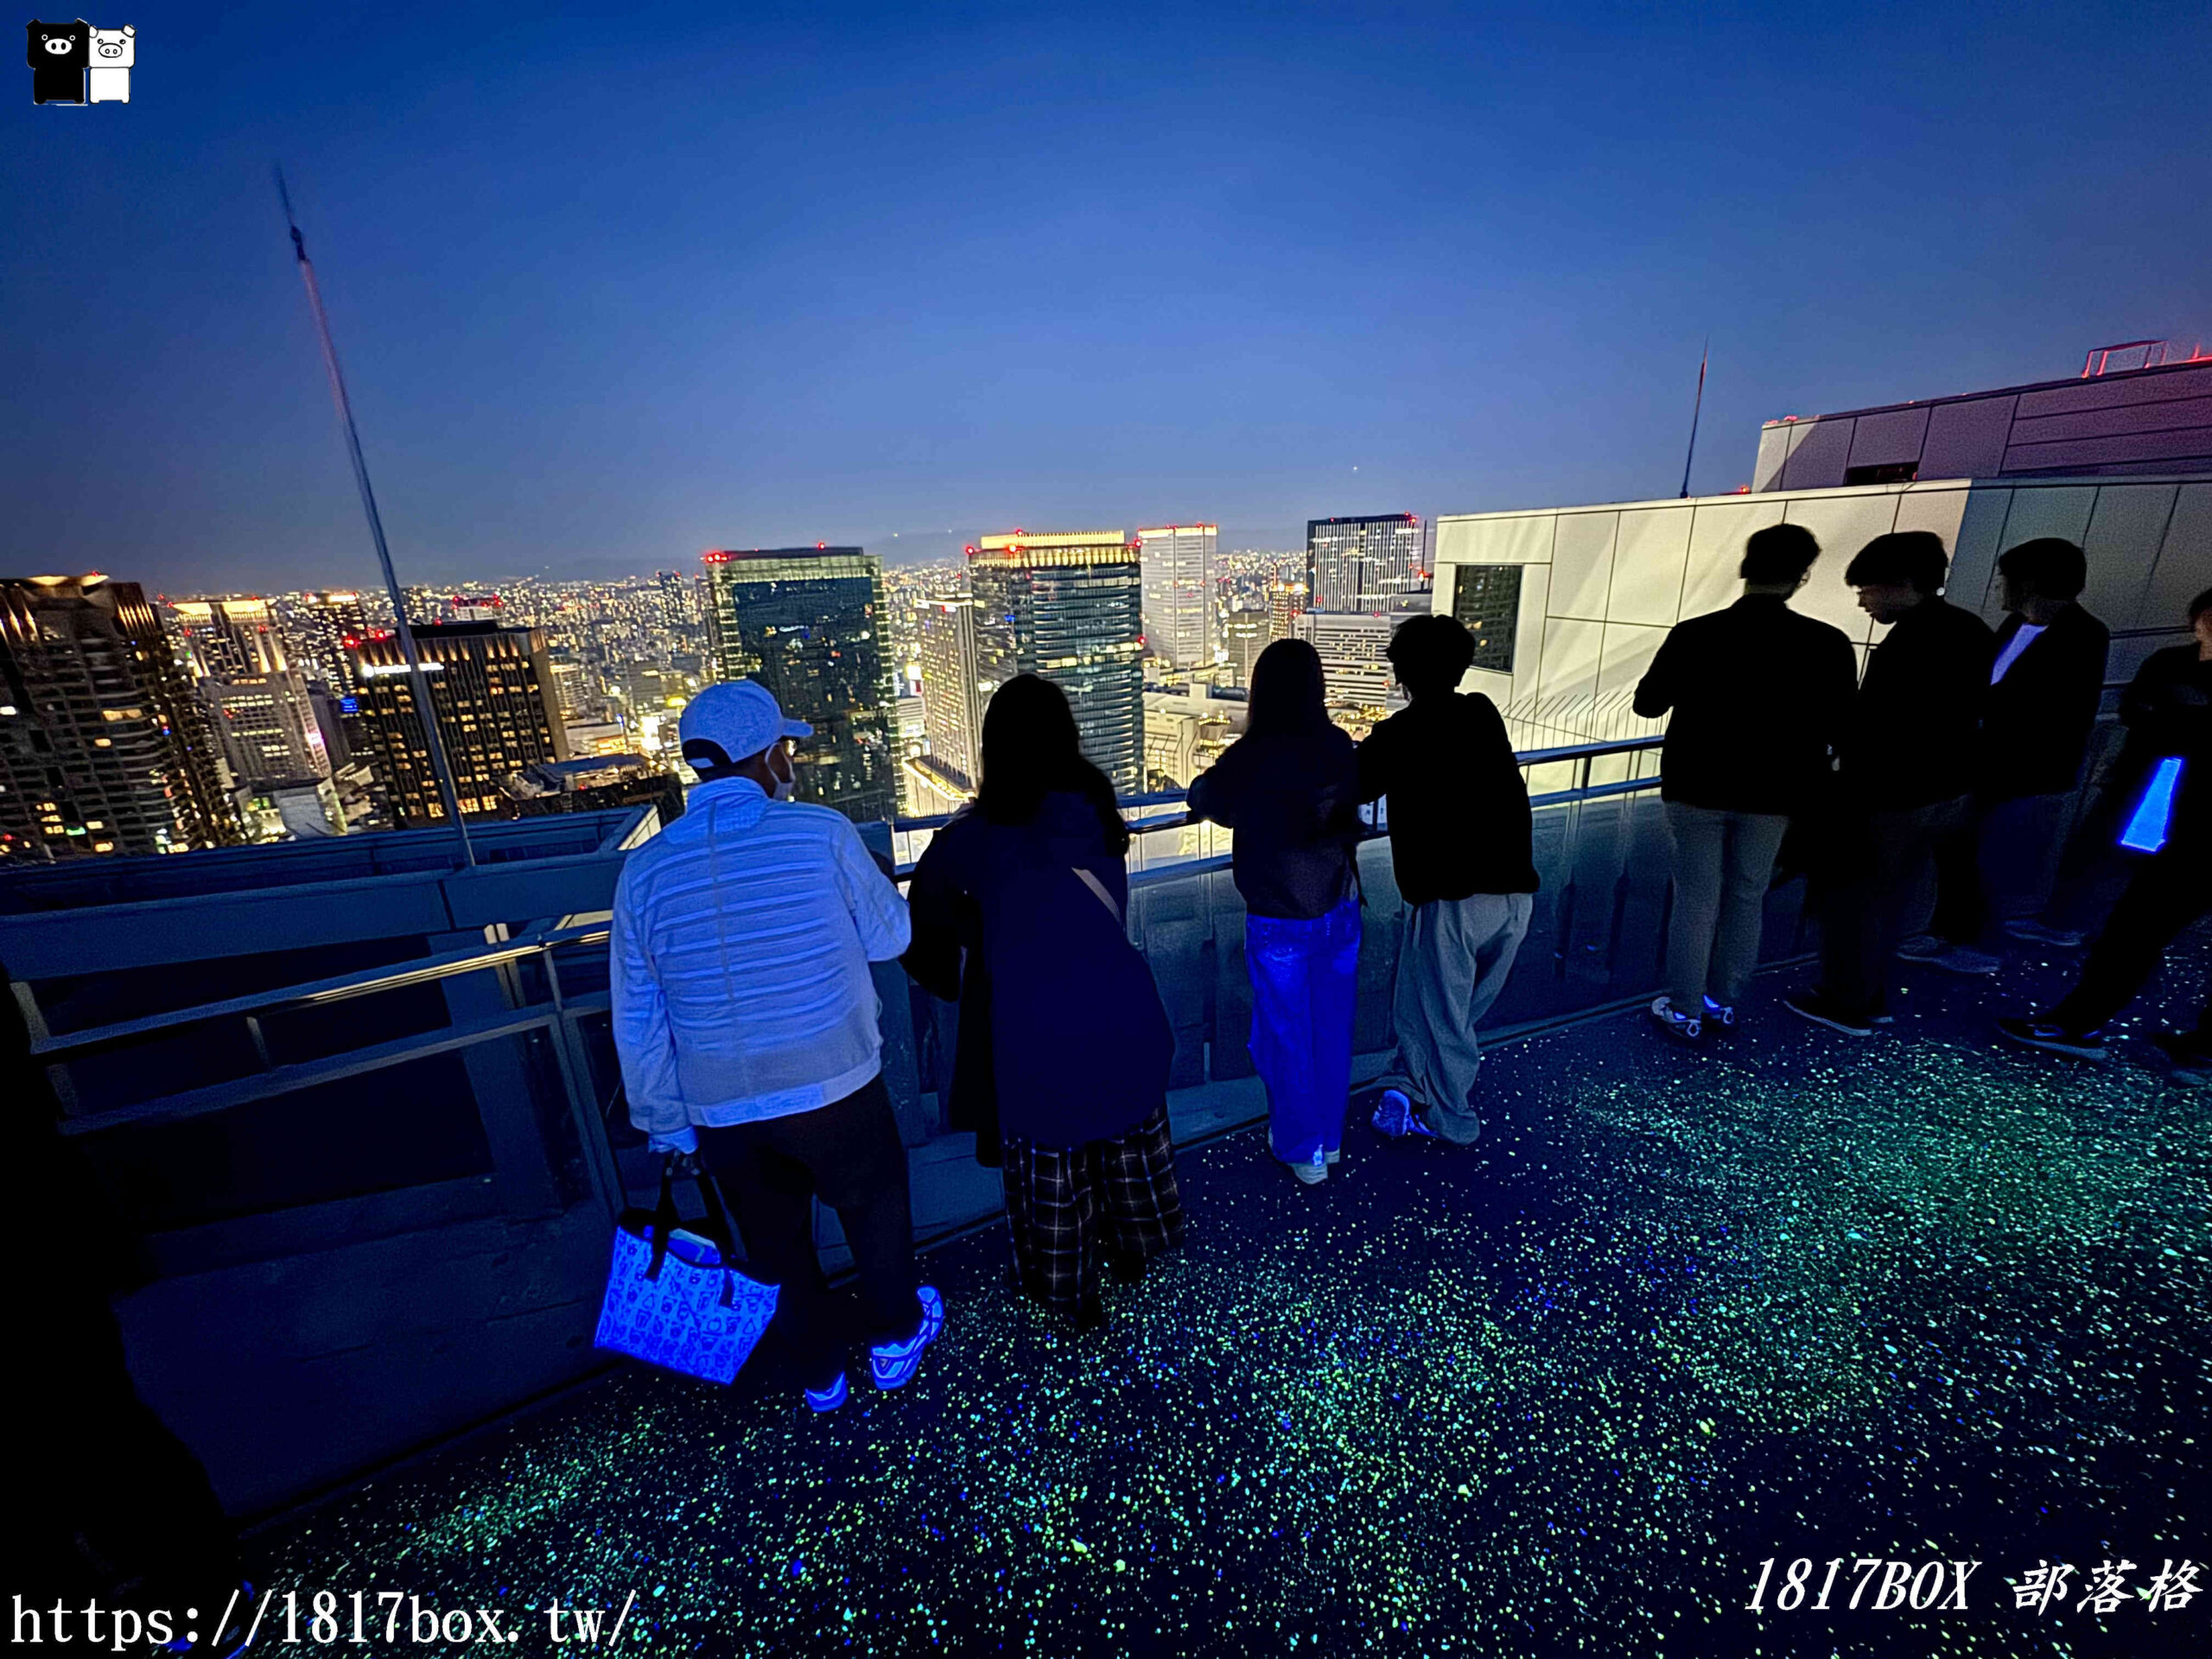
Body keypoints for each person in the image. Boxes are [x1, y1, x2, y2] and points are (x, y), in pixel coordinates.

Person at [611, 679, 942, 1414]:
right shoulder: (818, 833)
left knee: (775, 1243)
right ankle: (892, 1340)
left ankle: (820, 1372)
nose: (789, 759)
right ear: (763, 757)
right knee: (874, 1207)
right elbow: (895, 936)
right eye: (783, 747)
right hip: (833, 1080)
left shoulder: (645, 872)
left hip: (721, 1102)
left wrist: (666, 1121)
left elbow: (637, 1016)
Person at [903, 674, 1183, 1328]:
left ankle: (1070, 1292)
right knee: (1119, 1142)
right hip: (1123, 1010)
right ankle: (1132, 1251)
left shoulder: (976, 838)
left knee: (1055, 1169)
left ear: (994, 747)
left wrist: (976, 939)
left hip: (1036, 1030)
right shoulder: (1096, 805)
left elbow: (923, 916)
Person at [1632, 523, 1857, 1040]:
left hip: (1696, 785)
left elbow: (1648, 704)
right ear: (1802, 576)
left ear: (1745, 568)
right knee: (1746, 896)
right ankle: (1723, 1000)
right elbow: (1843, 725)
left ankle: (1684, 1005)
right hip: (1775, 793)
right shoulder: (1825, 643)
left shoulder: (1696, 633)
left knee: (1696, 897)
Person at [1785, 531, 1994, 1037]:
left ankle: (1850, 1001)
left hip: (1891, 796)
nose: (1862, 601)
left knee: (1855, 899)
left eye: (1867, 590)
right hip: (1947, 789)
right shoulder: (1970, 629)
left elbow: (1880, 724)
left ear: (1902, 583)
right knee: (1895, 898)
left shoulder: (1912, 641)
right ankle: (1867, 992)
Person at [1999, 586, 2212, 1071]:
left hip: (2191, 817)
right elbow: (2140, 711)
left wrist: (2179, 716)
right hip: (2154, 790)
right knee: (2130, 918)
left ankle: (2080, 1022)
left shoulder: (2171, 667)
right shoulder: (2170, 659)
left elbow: (2156, 716)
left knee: (2136, 926)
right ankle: (2086, 1013)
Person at [1356, 613, 1538, 1147]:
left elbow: (1351, 784)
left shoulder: (1399, 734)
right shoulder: (1482, 712)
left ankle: (1451, 1119)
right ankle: (1409, 1081)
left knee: (1442, 1014)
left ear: (1400, 672)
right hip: (1513, 891)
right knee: (1436, 1003)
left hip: (1452, 899)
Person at [1187, 639, 1364, 1184]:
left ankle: (1302, 1147)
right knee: (1331, 1030)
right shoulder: (1335, 743)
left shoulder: (1254, 754)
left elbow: (1203, 796)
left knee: (1286, 1034)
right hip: (1339, 905)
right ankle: (1330, 1139)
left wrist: (1248, 810)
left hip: (1278, 919)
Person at [1902, 537, 2109, 975]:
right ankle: (1952, 933)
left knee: (1989, 860)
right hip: (1983, 766)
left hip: (2025, 773)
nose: (2000, 588)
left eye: (2006, 579)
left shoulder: (2084, 634)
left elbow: (2058, 709)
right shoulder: (2016, 626)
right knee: (1960, 853)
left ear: (2030, 582)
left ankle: (1980, 944)